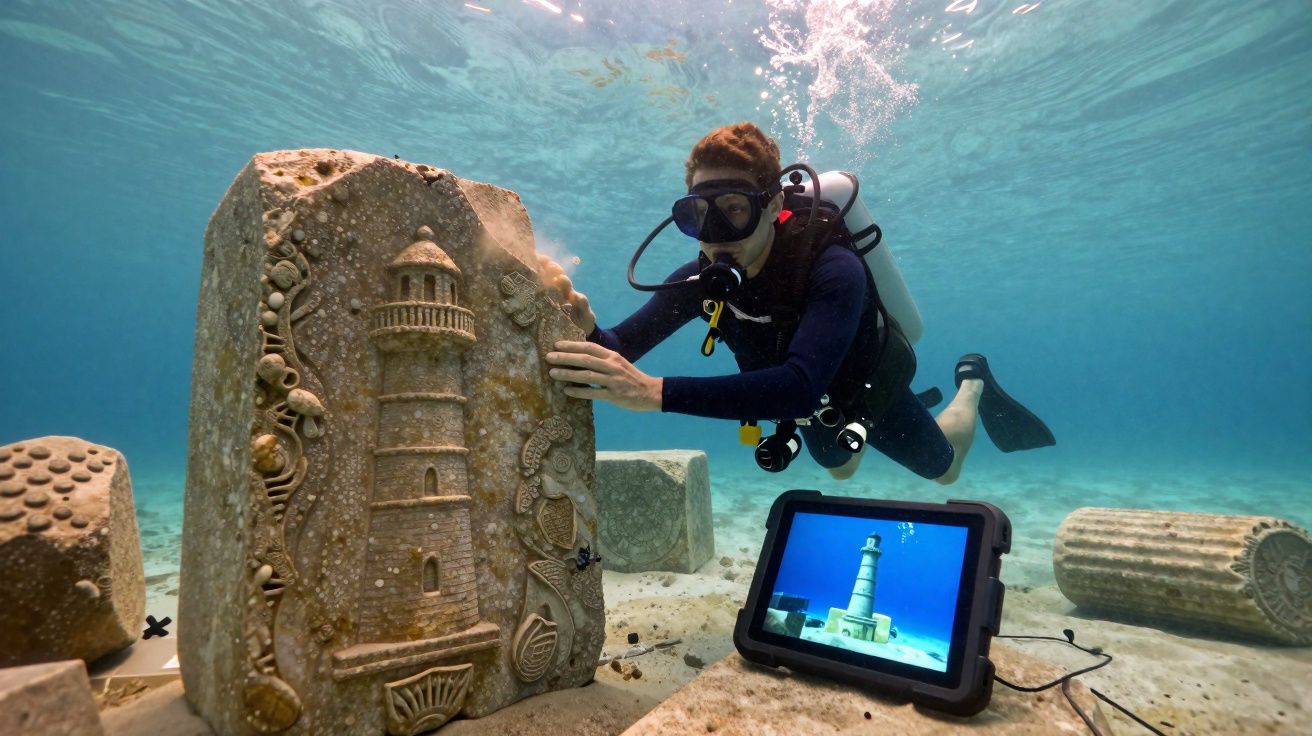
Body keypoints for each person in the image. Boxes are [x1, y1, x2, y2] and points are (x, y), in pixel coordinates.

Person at [541, 122, 1052, 482]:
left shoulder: (833, 268)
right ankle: (872, 437)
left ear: (775, 207)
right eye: (699, 216)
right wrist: (588, 331)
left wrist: (654, 392)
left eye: (735, 211)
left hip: (868, 389)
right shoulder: (700, 279)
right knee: (840, 469)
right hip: (807, 409)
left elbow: (799, 388)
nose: (716, 237)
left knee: (944, 472)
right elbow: (620, 350)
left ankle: (971, 384)